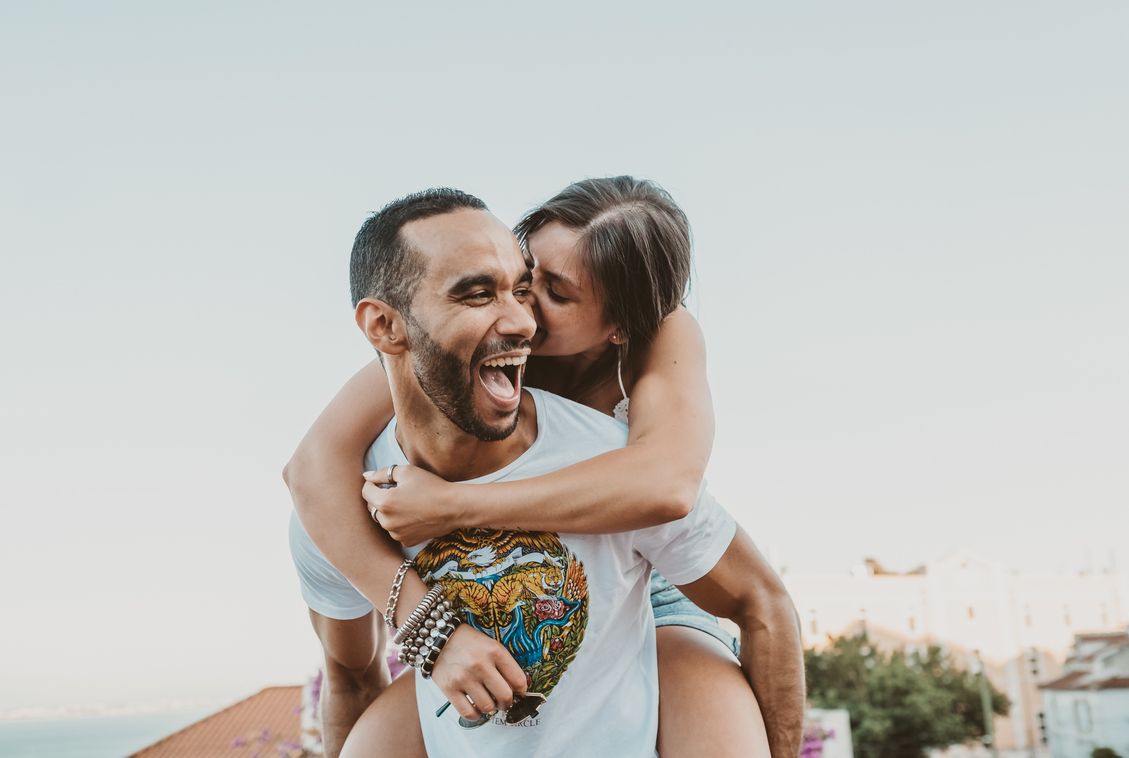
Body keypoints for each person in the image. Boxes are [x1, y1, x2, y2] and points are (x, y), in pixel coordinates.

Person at [286, 183, 803, 758]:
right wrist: (425, 621)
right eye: (524, 274)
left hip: (652, 570)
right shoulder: (451, 346)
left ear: (623, 326)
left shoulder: (661, 338)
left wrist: (453, 507)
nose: (524, 309)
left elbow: (667, 486)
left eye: (554, 293)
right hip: (487, 591)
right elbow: (312, 466)